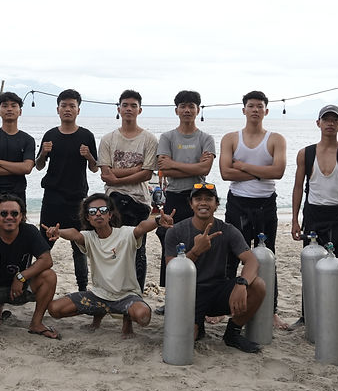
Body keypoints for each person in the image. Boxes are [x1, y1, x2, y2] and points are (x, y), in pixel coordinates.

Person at [45, 194, 174, 337]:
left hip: (126, 296)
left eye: (103, 210)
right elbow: (75, 234)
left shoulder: (125, 234)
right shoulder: (89, 237)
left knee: (143, 316)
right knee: (54, 309)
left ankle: (127, 320)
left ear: (110, 215)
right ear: (88, 218)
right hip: (98, 296)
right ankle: (99, 312)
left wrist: (157, 221)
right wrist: (59, 232)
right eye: (93, 212)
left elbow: (141, 228)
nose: (98, 214)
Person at [163, 183, 266, 352]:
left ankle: (232, 333)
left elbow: (252, 261)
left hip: (217, 290)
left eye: (208, 199)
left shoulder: (228, 230)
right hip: (188, 294)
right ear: (190, 204)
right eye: (198, 199)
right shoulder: (176, 231)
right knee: (187, 340)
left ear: (217, 204)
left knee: (258, 285)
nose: (203, 203)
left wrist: (242, 283)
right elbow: (171, 271)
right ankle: (197, 324)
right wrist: (195, 252)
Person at [219, 90, 288, 330]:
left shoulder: (275, 139)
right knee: (231, 256)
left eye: (260, 106)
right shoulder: (231, 138)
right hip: (237, 203)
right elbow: (225, 173)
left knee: (268, 256)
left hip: (265, 204)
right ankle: (224, 306)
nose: (255, 110)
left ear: (266, 111)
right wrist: (260, 170)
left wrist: (244, 166)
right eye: (251, 106)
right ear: (244, 110)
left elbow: (278, 172)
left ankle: (272, 311)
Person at [290, 105, 338, 332]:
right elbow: (298, 187)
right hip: (313, 215)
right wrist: (294, 219)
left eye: (335, 120)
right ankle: (306, 316)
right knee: (309, 267)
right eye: (326, 119)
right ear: (318, 123)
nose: (330, 123)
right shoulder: (306, 153)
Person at [0, 194, 60, 339]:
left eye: (14, 213)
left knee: (49, 275)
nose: (9, 217)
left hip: (20, 290)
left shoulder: (30, 232)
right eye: (4, 213)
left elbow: (46, 260)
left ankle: (36, 323)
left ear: (22, 216)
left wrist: (21, 277)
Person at [35, 88, 98, 292]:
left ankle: (82, 288)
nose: (68, 109)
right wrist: (44, 153)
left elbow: (95, 167)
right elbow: (38, 166)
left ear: (78, 110)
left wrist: (88, 155)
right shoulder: (50, 135)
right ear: (58, 109)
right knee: (43, 242)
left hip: (77, 198)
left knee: (79, 246)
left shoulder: (86, 135)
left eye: (72, 106)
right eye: (64, 106)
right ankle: (33, 282)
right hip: (52, 197)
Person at [155, 90, 216, 299]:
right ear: (176, 110)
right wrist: (194, 166)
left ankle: (197, 295)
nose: (187, 110)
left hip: (198, 197)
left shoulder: (206, 138)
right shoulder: (167, 137)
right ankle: (171, 297)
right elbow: (164, 169)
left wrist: (174, 164)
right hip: (173, 195)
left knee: (197, 244)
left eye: (191, 106)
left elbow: (205, 170)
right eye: (183, 106)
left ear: (198, 110)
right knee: (170, 244)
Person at [97, 89, 158, 291]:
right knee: (112, 249)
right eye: (125, 105)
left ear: (140, 110)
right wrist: (136, 169)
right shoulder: (108, 139)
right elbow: (105, 175)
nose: (129, 109)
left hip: (139, 202)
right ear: (119, 109)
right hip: (113, 202)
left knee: (137, 250)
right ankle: (111, 291)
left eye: (133, 105)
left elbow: (147, 174)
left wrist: (118, 175)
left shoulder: (149, 139)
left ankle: (136, 293)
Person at [0, 92, 35, 221]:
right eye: (5, 106)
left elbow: (27, 168)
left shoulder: (28, 140)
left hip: (18, 193)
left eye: (13, 106)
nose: (9, 109)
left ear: (20, 111)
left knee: (18, 231)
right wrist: (15, 169)